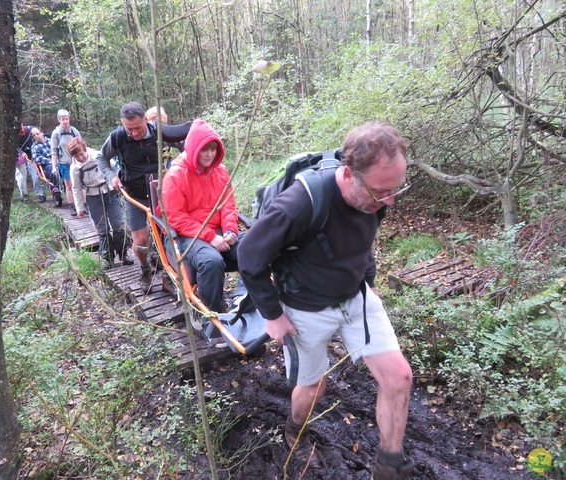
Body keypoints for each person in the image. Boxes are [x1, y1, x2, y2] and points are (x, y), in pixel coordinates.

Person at [238, 122, 414, 479]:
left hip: (355, 299)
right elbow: (249, 255)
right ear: (348, 174)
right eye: (382, 191)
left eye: (396, 189)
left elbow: (362, 242)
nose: (390, 201)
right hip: (305, 306)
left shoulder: (376, 196)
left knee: (399, 378)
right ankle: (293, 430)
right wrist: (272, 315)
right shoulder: (301, 202)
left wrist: (368, 282)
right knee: (314, 387)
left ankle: (389, 465)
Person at [96, 102, 191, 292]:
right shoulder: (117, 137)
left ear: (146, 120)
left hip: (163, 194)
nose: (134, 133)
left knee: (167, 236)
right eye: (129, 129)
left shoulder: (160, 132)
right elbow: (102, 158)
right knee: (140, 241)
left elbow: (186, 146)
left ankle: (167, 276)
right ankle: (145, 270)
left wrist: (182, 166)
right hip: (134, 195)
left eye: (138, 128)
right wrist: (111, 176)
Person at [159, 119, 244, 316]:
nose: (209, 154)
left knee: (254, 248)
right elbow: (175, 218)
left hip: (218, 230)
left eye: (213, 149)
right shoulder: (175, 176)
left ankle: (243, 301)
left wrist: (231, 230)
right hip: (185, 234)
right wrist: (210, 236)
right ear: (194, 148)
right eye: (204, 149)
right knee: (211, 262)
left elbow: (228, 205)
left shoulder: (220, 172)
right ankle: (212, 316)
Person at [67, 137, 133, 270]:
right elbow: (76, 188)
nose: (80, 157)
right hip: (93, 197)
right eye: (76, 155)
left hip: (110, 192)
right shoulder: (74, 168)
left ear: (85, 149)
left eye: (81, 153)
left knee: (118, 225)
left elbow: (115, 168)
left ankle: (123, 253)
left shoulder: (98, 156)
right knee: (102, 229)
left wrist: (119, 184)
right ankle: (108, 259)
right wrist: (80, 208)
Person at [50, 109, 81, 215]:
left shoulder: (74, 131)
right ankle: (72, 205)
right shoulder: (56, 133)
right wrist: (54, 167)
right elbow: (54, 151)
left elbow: (81, 146)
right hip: (64, 163)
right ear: (59, 120)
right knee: (69, 184)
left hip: (76, 162)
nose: (65, 121)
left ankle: (83, 204)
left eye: (67, 119)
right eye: (63, 119)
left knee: (80, 183)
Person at [30, 127, 62, 199]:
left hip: (58, 161)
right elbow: (37, 158)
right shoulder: (34, 146)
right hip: (46, 165)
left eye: (37, 134)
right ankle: (54, 188)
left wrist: (57, 159)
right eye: (34, 135)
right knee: (51, 167)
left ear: (42, 133)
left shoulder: (51, 141)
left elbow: (59, 151)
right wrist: (51, 161)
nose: (36, 136)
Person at [17, 123, 45, 203]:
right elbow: (17, 146)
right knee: (35, 176)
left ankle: (55, 191)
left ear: (22, 125)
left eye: (20, 128)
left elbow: (41, 138)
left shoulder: (31, 130)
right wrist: (22, 152)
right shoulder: (16, 135)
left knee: (46, 174)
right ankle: (40, 194)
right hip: (30, 158)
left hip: (41, 155)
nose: (20, 131)